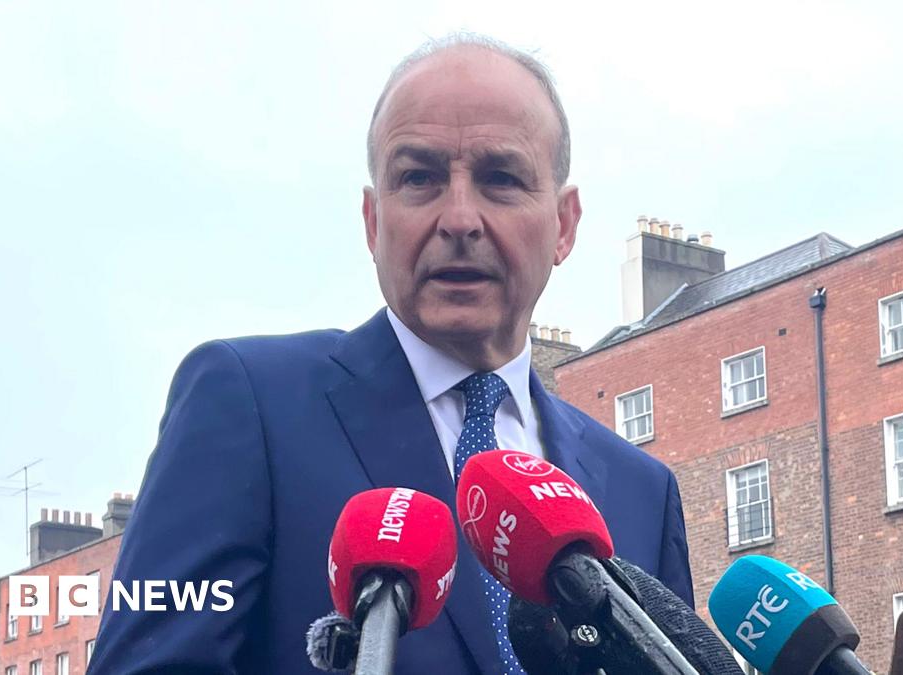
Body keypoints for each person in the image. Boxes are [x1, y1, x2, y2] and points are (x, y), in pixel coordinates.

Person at [89, 34, 693, 674]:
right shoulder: (245, 403)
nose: (459, 217)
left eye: (501, 179)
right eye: (419, 178)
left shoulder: (640, 491)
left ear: (565, 225)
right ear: (374, 221)